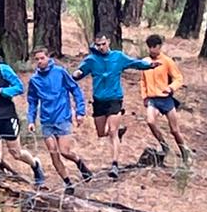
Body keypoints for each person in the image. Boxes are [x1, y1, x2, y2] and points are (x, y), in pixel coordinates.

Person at [73, 34, 154, 180]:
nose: (101, 47)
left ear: (108, 42)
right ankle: (118, 133)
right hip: (99, 101)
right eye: (98, 45)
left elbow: (134, 63)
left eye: (103, 44)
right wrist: (77, 74)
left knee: (112, 132)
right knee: (101, 133)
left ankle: (115, 165)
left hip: (115, 99)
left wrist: (149, 65)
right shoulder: (91, 60)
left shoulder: (118, 57)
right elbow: (80, 72)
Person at [0, 40, 45, 186]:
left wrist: (1, 90)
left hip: (6, 116)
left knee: (16, 153)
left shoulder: (3, 69)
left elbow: (19, 87)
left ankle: (35, 165)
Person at [26, 48, 92, 190]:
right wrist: (31, 120)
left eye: (42, 58)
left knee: (64, 151)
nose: (40, 61)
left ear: (48, 57)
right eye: (37, 59)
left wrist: (80, 112)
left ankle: (79, 163)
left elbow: (75, 89)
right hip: (46, 120)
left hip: (63, 117)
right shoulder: (34, 80)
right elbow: (32, 101)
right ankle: (68, 183)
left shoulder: (60, 72)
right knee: (53, 153)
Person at [139, 33, 192, 166]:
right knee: (150, 121)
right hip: (152, 99)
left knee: (174, 130)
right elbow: (142, 81)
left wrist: (171, 88)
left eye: (154, 47)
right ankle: (164, 145)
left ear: (160, 47)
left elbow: (178, 78)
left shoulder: (167, 61)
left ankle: (185, 152)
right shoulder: (145, 62)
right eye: (150, 47)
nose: (152, 50)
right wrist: (144, 96)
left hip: (166, 99)